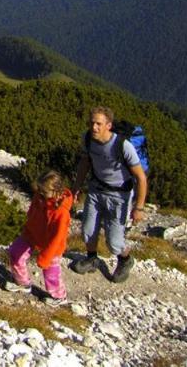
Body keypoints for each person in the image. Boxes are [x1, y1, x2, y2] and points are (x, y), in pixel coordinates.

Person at [70, 106, 149, 283]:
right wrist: (76, 188)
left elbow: (141, 178)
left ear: (109, 125)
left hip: (119, 196)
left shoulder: (123, 146)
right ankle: (92, 258)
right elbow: (85, 162)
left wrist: (139, 207)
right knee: (88, 231)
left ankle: (125, 259)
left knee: (114, 242)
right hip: (96, 190)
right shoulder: (88, 139)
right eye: (92, 123)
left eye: (99, 124)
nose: (94, 127)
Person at [5, 170, 74, 305]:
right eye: (39, 190)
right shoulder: (40, 197)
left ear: (56, 190)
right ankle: (22, 282)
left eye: (44, 191)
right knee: (15, 253)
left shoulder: (61, 212)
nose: (40, 193)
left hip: (52, 245)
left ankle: (59, 296)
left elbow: (57, 238)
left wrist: (46, 256)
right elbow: (32, 210)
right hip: (32, 234)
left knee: (50, 271)